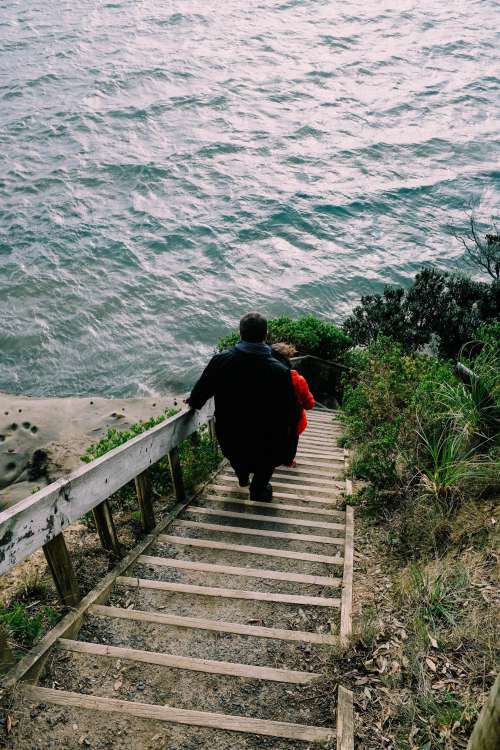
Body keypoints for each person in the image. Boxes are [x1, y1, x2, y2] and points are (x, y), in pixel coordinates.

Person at [186, 312, 300, 501]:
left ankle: (242, 476)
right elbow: (291, 412)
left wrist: (192, 403)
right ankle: (259, 488)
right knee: (266, 460)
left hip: (231, 435)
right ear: (266, 335)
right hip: (267, 439)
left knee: (237, 455)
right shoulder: (280, 371)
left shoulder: (221, 361)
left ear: (240, 333)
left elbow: (199, 396)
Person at [271, 343, 315, 466]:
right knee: (291, 442)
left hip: (269, 419)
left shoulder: (262, 376)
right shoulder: (298, 380)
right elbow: (309, 404)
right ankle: (288, 461)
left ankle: (268, 458)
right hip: (292, 422)